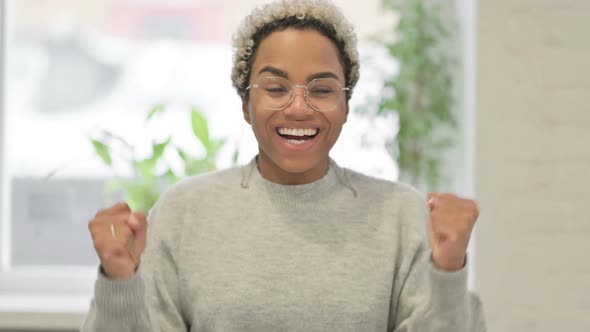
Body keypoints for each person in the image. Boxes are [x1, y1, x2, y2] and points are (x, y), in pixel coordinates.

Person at [82, 0, 487, 331]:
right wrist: (119, 280)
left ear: (346, 106)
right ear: (245, 104)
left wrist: (448, 272)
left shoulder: (401, 215)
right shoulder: (185, 213)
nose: (298, 107)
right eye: (275, 88)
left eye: (322, 89)